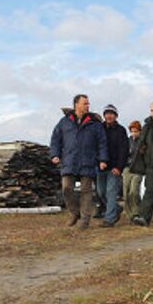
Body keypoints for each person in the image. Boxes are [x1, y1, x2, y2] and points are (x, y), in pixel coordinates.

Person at [49, 94, 107, 230]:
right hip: (69, 160)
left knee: (86, 191)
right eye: (85, 103)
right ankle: (74, 213)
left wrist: (103, 159)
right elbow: (55, 139)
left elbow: (102, 143)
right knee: (66, 188)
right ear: (76, 105)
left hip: (88, 160)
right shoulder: (64, 121)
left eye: (88, 103)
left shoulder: (95, 123)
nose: (88, 106)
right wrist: (54, 154)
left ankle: (85, 221)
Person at [96, 104, 128, 227]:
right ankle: (116, 208)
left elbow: (123, 150)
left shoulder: (121, 130)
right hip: (101, 166)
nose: (109, 116)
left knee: (110, 193)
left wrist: (119, 167)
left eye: (111, 113)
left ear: (115, 115)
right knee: (101, 192)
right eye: (107, 113)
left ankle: (109, 220)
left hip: (114, 168)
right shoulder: (99, 128)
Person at [123, 120, 143, 221]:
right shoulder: (127, 141)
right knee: (126, 193)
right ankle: (130, 215)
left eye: (136, 131)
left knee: (134, 191)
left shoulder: (143, 142)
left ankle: (137, 212)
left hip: (138, 169)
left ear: (140, 131)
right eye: (132, 131)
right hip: (127, 168)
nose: (134, 133)